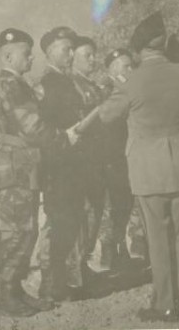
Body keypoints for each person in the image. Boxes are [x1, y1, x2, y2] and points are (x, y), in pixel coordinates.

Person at [98, 11, 179, 322]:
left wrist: (118, 85)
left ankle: (164, 304)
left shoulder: (130, 82)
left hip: (148, 170)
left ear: (138, 48)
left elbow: (106, 117)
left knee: (157, 240)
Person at [0, 28, 78, 317]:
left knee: (25, 228)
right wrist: (63, 138)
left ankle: (15, 290)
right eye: (27, 54)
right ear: (8, 55)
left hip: (23, 164)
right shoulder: (10, 85)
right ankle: (6, 294)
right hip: (16, 165)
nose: (31, 58)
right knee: (16, 230)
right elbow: (32, 125)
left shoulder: (19, 84)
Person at [37, 26, 89, 302]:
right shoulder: (46, 84)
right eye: (66, 49)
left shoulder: (67, 81)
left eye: (72, 49)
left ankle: (67, 278)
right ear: (49, 51)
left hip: (73, 164)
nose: (71, 54)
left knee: (71, 220)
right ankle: (50, 283)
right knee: (57, 222)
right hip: (57, 165)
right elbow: (43, 130)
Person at [98, 48, 147, 270]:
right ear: (113, 68)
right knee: (110, 207)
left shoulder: (129, 88)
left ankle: (122, 250)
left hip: (127, 155)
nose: (131, 70)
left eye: (132, 66)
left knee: (125, 204)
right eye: (126, 66)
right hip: (108, 156)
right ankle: (109, 253)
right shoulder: (104, 90)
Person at [70, 35, 107, 270]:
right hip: (79, 160)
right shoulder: (70, 85)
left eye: (94, 55)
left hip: (95, 158)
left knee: (94, 211)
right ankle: (75, 270)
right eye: (87, 55)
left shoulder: (92, 86)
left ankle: (82, 264)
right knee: (80, 214)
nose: (93, 60)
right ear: (73, 57)